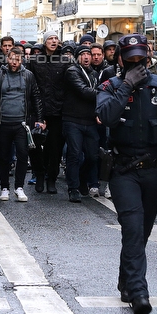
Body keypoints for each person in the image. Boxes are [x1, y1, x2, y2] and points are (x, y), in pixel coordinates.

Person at [97, 34, 157, 314]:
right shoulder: (110, 87)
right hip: (123, 170)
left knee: (143, 232)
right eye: (131, 59)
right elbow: (106, 116)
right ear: (121, 60)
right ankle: (140, 293)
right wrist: (126, 85)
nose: (137, 64)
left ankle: (127, 278)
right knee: (133, 228)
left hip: (154, 171)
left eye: (141, 58)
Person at [0, 46, 44, 201]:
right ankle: (5, 187)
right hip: (3, 122)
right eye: (12, 58)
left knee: (22, 154)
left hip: (22, 124)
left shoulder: (28, 76)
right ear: (7, 58)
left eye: (18, 59)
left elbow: (36, 98)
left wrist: (40, 120)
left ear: (22, 60)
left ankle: (19, 187)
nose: (14, 62)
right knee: (3, 157)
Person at [28, 32, 66, 193]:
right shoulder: (35, 61)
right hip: (39, 110)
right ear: (44, 42)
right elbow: (30, 85)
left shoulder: (64, 60)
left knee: (55, 147)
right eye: (50, 38)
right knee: (35, 145)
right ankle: (40, 174)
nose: (53, 41)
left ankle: (52, 178)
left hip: (58, 111)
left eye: (55, 38)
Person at [64, 45, 100, 202]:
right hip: (73, 119)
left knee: (93, 156)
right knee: (74, 154)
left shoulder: (94, 73)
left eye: (88, 54)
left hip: (90, 120)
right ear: (77, 57)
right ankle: (73, 188)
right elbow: (83, 91)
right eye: (83, 54)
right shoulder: (72, 71)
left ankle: (82, 178)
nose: (86, 57)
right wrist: (104, 93)